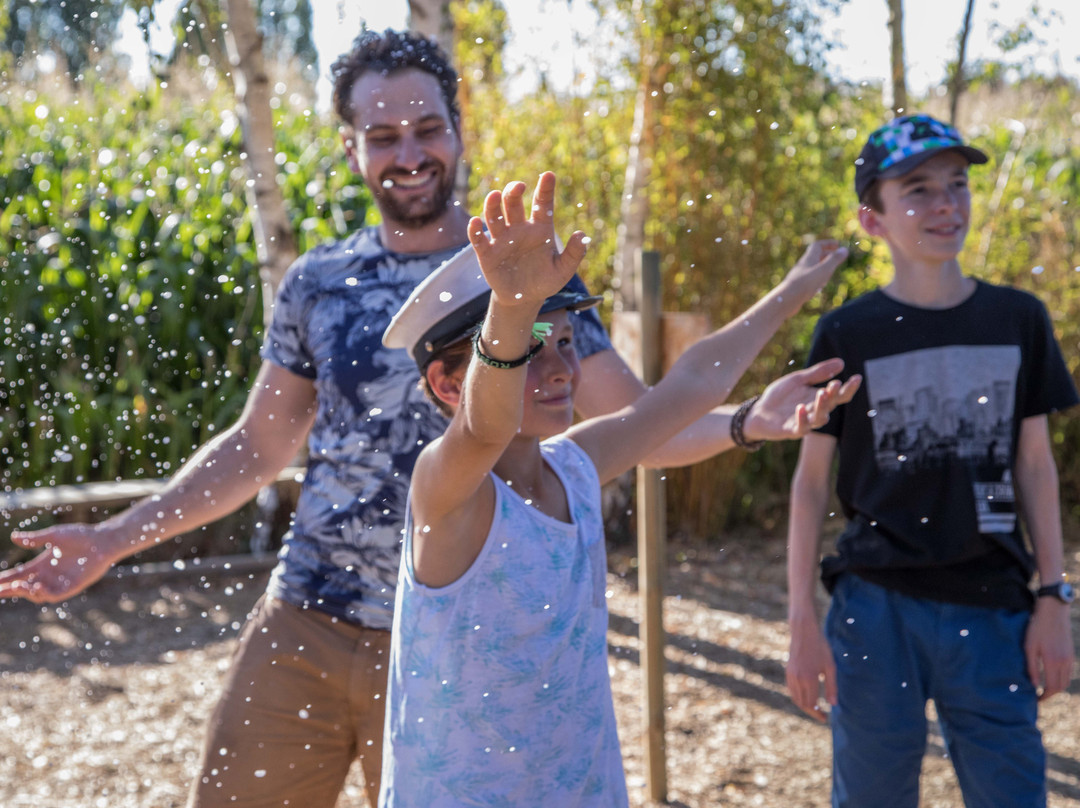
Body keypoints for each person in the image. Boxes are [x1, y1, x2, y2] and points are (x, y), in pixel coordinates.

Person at [0, 29, 856, 808]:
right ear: (351, 150)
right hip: (308, 615)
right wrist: (113, 539)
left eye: (425, 127)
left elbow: (640, 421)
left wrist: (745, 421)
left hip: (460, 645)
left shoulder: (533, 281)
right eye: (382, 135)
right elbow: (259, 447)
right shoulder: (318, 283)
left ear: (458, 130)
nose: (408, 152)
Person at [376, 170, 860, 806]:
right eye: (533, 348)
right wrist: (513, 310)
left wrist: (788, 303)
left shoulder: (574, 467)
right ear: (447, 384)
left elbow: (686, 391)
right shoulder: (447, 492)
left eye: (570, 343)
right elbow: (485, 425)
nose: (561, 370)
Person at [784, 113, 1078, 808]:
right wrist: (800, 619)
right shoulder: (845, 331)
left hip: (995, 610)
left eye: (957, 185)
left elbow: (1035, 466)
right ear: (873, 219)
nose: (946, 205)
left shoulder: (1018, 320)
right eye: (918, 191)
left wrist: (1053, 597)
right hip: (875, 609)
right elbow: (808, 486)